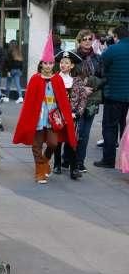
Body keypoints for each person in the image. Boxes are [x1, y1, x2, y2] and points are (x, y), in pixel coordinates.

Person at [13, 32, 77, 184]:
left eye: (50, 63)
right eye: (45, 63)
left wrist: (67, 115)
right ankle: (39, 170)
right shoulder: (35, 79)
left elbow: (63, 101)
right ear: (41, 63)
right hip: (37, 118)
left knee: (53, 143)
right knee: (37, 145)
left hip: (52, 118)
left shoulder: (57, 79)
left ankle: (44, 162)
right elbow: (29, 103)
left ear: (53, 64)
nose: (48, 66)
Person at [94, 25, 129, 168]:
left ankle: (108, 160)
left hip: (113, 96)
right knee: (126, 129)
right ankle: (125, 160)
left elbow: (102, 70)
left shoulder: (111, 50)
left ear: (116, 36)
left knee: (110, 127)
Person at [72, 29, 105, 173]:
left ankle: (79, 162)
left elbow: (104, 78)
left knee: (85, 133)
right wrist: (81, 88)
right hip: (76, 100)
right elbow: (67, 76)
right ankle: (67, 159)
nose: (87, 41)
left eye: (89, 39)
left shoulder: (98, 58)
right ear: (79, 40)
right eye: (84, 39)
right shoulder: (72, 56)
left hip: (92, 100)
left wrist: (91, 82)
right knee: (74, 131)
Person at [53, 50, 87, 180]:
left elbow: (83, 98)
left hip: (72, 116)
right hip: (57, 115)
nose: (63, 65)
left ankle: (74, 168)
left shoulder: (77, 81)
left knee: (72, 142)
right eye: (61, 62)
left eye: (66, 63)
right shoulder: (55, 78)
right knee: (57, 140)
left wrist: (78, 113)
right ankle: (57, 164)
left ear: (72, 66)